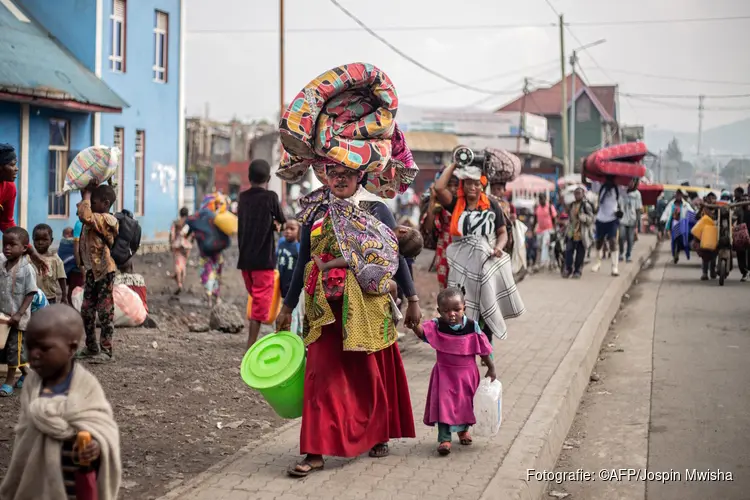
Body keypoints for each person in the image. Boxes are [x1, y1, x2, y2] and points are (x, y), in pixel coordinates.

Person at [275, 164, 421, 476]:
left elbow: (395, 257)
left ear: (361, 177)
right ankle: (314, 451)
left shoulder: (375, 209)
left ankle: (377, 432)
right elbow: (303, 259)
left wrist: (413, 299)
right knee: (319, 377)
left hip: (365, 307)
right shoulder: (315, 212)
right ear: (324, 175)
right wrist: (287, 307)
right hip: (323, 309)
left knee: (368, 374)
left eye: (348, 173)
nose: (340, 178)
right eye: (333, 172)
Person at [0, 305, 121, 499]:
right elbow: (25, 436)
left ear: (71, 349)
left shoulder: (86, 386)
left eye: (45, 348)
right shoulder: (33, 382)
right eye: (30, 347)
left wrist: (96, 447)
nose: (34, 354)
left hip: (74, 483)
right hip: (38, 484)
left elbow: (104, 429)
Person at [434, 162, 525, 344]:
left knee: (486, 301)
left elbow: (502, 233)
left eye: (476, 183)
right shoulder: (456, 203)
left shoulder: (491, 204)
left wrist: (498, 247)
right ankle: (463, 343)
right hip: (461, 262)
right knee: (461, 302)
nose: (473, 187)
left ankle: (485, 346)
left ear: (482, 184)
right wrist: (454, 164)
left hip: (485, 259)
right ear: (463, 184)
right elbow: (438, 187)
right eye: (468, 183)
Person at [411, 287, 495, 455]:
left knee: (466, 404)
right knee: (444, 405)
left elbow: (483, 349)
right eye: (446, 311)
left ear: (464, 307)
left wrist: (491, 367)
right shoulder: (437, 325)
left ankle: (463, 431)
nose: (452, 314)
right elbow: (423, 333)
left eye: (457, 309)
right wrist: (414, 325)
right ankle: (444, 439)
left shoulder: (473, 326)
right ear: (439, 311)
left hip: (467, 375)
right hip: (444, 374)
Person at [237, 159, 286, 349]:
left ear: (249, 178)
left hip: (245, 262)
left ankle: (256, 341)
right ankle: (251, 345)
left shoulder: (242, 198)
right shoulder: (271, 197)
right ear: (269, 178)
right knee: (261, 304)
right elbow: (282, 220)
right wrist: (276, 224)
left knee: (256, 298)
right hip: (263, 262)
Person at [77, 182, 119, 363]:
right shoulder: (94, 216)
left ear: (106, 203)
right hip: (92, 271)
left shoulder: (107, 220)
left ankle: (106, 350)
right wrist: (86, 191)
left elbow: (84, 215)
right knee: (86, 310)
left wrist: (87, 196)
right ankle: (91, 346)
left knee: (104, 310)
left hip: (104, 270)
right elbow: (83, 211)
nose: (89, 204)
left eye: (93, 201)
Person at [0, 227, 36, 396]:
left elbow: (30, 292)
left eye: (12, 245)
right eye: (4, 244)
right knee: (7, 349)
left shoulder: (26, 268)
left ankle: (8, 381)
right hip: (3, 318)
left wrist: (19, 314)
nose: (7, 248)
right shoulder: (2, 265)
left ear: (23, 248)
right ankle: (28, 374)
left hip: (18, 320)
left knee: (15, 349)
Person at [420, 171, 459, 289]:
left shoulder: (465, 202)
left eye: (455, 185)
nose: (452, 189)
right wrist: (433, 200)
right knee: (445, 288)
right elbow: (428, 227)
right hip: (444, 249)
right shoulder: (438, 204)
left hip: (461, 248)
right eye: (449, 185)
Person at [586, 174, 627, 276]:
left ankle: (615, 267)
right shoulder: (599, 186)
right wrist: (584, 170)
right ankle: (597, 263)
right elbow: (588, 181)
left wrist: (635, 178)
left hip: (612, 219)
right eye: (607, 178)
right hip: (600, 218)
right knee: (599, 242)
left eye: (611, 178)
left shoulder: (618, 188)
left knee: (613, 241)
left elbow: (630, 189)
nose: (609, 180)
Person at [31, 224, 68, 305]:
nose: (40, 242)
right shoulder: (29, 258)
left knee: (49, 317)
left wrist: (64, 296)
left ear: (51, 241)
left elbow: (62, 278)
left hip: (49, 298)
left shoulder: (55, 259)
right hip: (31, 298)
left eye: (44, 240)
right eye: (37, 240)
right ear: (33, 240)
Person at [563, 187, 594, 278]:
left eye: (579, 193)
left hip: (581, 233)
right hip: (572, 232)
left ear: (583, 194)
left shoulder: (586, 205)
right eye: (575, 193)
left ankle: (577, 271)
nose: (577, 195)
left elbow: (591, 219)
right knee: (568, 251)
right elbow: (569, 216)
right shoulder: (572, 204)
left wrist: (583, 217)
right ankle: (568, 269)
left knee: (580, 254)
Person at [660, 189, 695, 264]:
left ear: (682, 196)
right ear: (675, 195)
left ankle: (677, 253)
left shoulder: (686, 204)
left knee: (681, 240)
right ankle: (674, 255)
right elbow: (666, 212)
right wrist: (663, 219)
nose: (678, 196)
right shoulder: (671, 204)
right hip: (673, 224)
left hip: (682, 225)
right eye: (677, 194)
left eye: (680, 194)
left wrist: (695, 217)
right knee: (674, 240)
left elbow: (691, 212)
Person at [618, 178, 643, 263]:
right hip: (622, 219)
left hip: (632, 219)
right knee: (621, 236)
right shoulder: (622, 192)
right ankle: (621, 253)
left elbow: (638, 209)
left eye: (632, 181)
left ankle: (628, 255)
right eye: (629, 181)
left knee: (630, 239)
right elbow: (617, 204)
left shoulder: (637, 194)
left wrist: (638, 223)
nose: (630, 183)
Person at [169, 207, 192, 295]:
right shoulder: (189, 223)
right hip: (187, 246)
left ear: (180, 214)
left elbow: (172, 234)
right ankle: (181, 280)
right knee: (183, 264)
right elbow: (191, 235)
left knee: (178, 264)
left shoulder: (176, 223)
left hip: (177, 245)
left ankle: (179, 284)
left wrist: (171, 243)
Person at [533, 193, 557, 269]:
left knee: (547, 246)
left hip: (548, 230)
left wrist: (554, 229)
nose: (541, 201)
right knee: (539, 247)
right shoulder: (537, 207)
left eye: (542, 199)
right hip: (539, 230)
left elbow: (554, 218)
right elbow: (535, 219)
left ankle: (550, 263)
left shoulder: (550, 207)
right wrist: (533, 229)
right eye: (539, 199)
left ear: (545, 199)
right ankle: (538, 263)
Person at [57, 227, 80, 304]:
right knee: (71, 287)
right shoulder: (66, 241)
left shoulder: (65, 241)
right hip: (71, 267)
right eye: (70, 233)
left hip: (69, 268)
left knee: (70, 286)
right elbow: (66, 251)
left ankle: (68, 299)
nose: (72, 235)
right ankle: (69, 300)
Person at [733, 187, 749, 282]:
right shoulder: (737, 207)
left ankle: (747, 271)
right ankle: (744, 272)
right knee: (740, 253)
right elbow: (733, 218)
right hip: (741, 233)